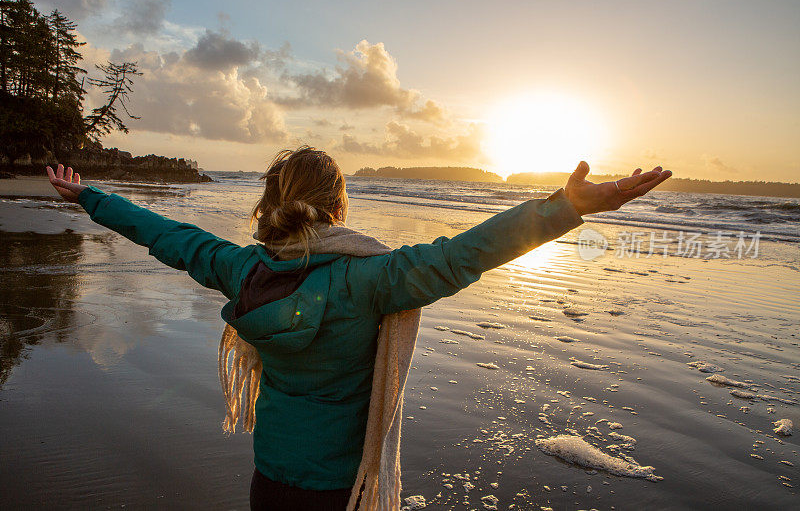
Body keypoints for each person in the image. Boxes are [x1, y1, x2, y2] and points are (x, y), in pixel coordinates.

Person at [46, 148, 671, 510]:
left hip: (273, 477)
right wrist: (564, 208)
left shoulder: (244, 271)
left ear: (271, 202)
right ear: (338, 204)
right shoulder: (373, 279)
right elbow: (463, 254)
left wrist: (90, 198)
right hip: (344, 485)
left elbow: (172, 237)